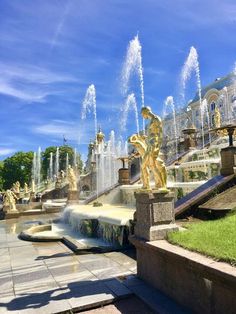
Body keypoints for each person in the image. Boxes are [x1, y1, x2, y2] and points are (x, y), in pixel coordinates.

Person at [140, 106, 167, 190]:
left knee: (149, 165)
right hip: (150, 143)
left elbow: (160, 133)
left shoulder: (156, 119)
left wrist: (157, 146)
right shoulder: (151, 121)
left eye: (142, 114)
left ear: (145, 112)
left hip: (153, 144)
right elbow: (152, 133)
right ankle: (147, 185)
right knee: (149, 165)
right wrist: (146, 138)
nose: (143, 117)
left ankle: (161, 185)